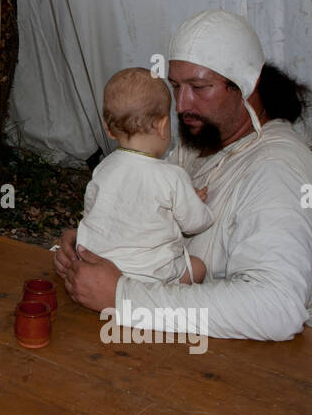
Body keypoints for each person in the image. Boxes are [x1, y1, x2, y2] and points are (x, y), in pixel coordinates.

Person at [54, 10, 312, 342]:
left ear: (247, 86)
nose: (180, 105)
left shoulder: (279, 172)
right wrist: (99, 241)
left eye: (199, 87)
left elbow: (276, 309)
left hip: (256, 373)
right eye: (175, 86)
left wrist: (123, 297)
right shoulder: (201, 142)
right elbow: (156, 217)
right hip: (178, 349)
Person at [76, 68, 212, 285]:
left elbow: (93, 213)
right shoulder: (172, 175)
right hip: (151, 277)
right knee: (198, 267)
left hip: (101, 270)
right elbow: (195, 224)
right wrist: (194, 201)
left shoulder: (103, 168)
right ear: (162, 126)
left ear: (109, 129)